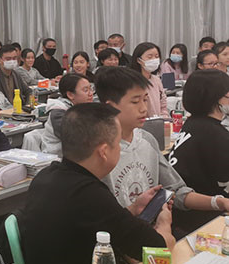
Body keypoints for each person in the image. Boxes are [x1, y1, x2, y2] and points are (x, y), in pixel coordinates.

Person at [20, 103, 172, 264]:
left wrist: (132, 209)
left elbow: (95, 223)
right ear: (104, 152)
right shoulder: (89, 195)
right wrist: (164, 223)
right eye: (118, 143)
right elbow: (157, 248)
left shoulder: (47, 176)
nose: (120, 148)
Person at [96, 67, 229, 235]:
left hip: (154, 233)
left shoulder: (147, 140)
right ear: (110, 107)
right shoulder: (98, 151)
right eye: (135, 102)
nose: (144, 108)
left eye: (145, 99)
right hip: (119, 238)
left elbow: (176, 191)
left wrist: (219, 202)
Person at [169, 70, 229, 231]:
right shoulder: (215, 134)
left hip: (181, 212)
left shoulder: (192, 123)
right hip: (203, 215)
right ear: (215, 98)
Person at [40, 73, 93, 155]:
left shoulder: (83, 106)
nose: (91, 93)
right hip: (56, 157)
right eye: (86, 90)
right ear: (70, 95)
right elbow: (77, 138)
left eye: (91, 89)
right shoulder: (58, 113)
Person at [129, 42, 168, 118]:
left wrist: (164, 117)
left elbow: (163, 104)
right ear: (139, 60)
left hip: (158, 121)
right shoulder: (132, 81)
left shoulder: (156, 80)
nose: (154, 60)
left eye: (156, 56)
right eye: (150, 57)